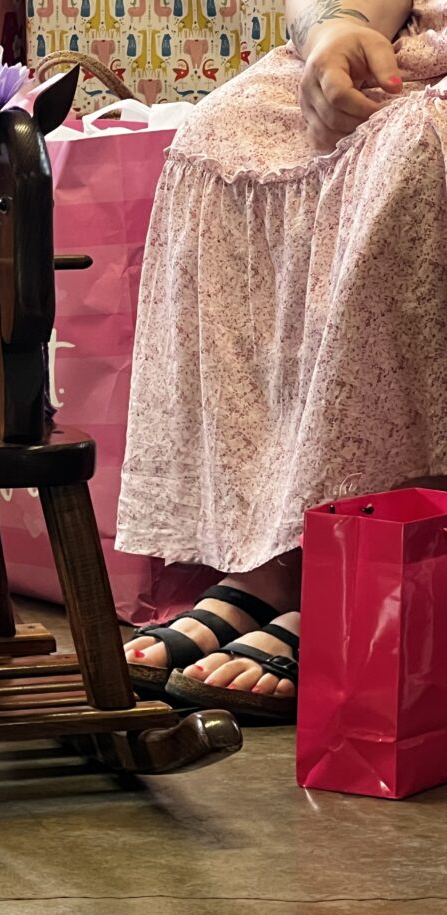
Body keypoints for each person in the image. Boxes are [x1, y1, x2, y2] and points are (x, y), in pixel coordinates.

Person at [117, 0, 447, 719]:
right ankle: (274, 563)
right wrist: (334, 28)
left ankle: (383, 570)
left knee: (418, 150)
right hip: (416, 58)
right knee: (222, 128)